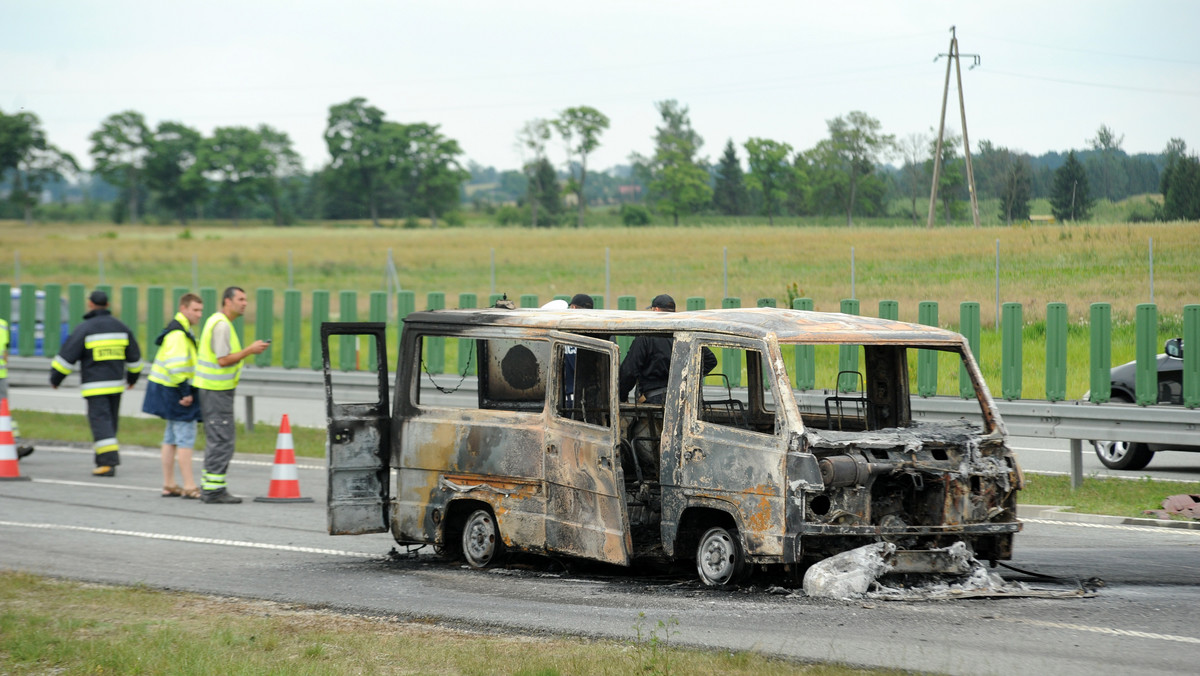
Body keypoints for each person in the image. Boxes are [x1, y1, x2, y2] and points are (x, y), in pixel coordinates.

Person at [618, 294, 716, 478]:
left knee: (645, 444)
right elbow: (710, 360)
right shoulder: (686, 334)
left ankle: (654, 480)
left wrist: (620, 396)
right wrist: (688, 379)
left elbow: (629, 371)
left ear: (655, 311)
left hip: (653, 404)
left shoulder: (646, 337)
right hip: (684, 402)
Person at [50, 290, 142, 477]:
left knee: (101, 422)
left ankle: (108, 463)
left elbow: (67, 357)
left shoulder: (85, 328)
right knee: (110, 423)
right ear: (107, 305)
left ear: (90, 304)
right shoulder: (121, 327)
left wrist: (55, 378)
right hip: (116, 385)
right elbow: (135, 358)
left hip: (95, 386)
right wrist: (132, 379)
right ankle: (104, 459)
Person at [193, 286, 268, 504]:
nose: (245, 303)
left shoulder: (218, 322)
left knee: (217, 438)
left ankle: (210, 486)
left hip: (214, 390)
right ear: (227, 301)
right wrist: (249, 350)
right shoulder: (222, 326)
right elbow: (223, 360)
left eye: (246, 299)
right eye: (240, 299)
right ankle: (213, 491)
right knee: (222, 440)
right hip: (216, 391)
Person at [142, 293, 204, 499]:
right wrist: (185, 392)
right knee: (185, 436)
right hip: (175, 389)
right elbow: (176, 366)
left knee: (170, 438)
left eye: (201, 310)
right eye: (195, 310)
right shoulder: (178, 334)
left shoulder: (178, 329)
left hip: (165, 388)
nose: (199, 314)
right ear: (183, 308)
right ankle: (189, 485)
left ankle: (169, 483)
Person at [0, 315, 32, 458]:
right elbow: (5, 353)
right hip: (1, 375)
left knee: (3, 414)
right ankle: (15, 445)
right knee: (4, 413)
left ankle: (13, 445)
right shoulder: (2, 325)